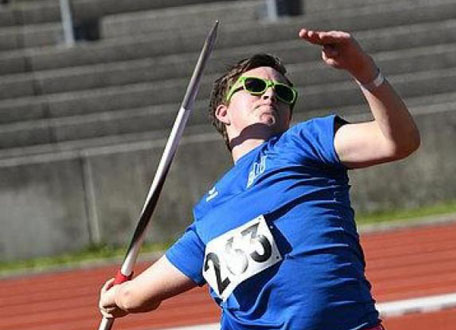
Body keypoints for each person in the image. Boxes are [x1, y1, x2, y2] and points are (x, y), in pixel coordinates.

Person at [99, 28, 420, 330]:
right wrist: (113, 296)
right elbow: (136, 296)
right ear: (223, 112)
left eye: (282, 92)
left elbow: (397, 141)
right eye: (255, 87)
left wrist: (364, 70)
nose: (270, 95)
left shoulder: (304, 143)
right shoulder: (208, 214)